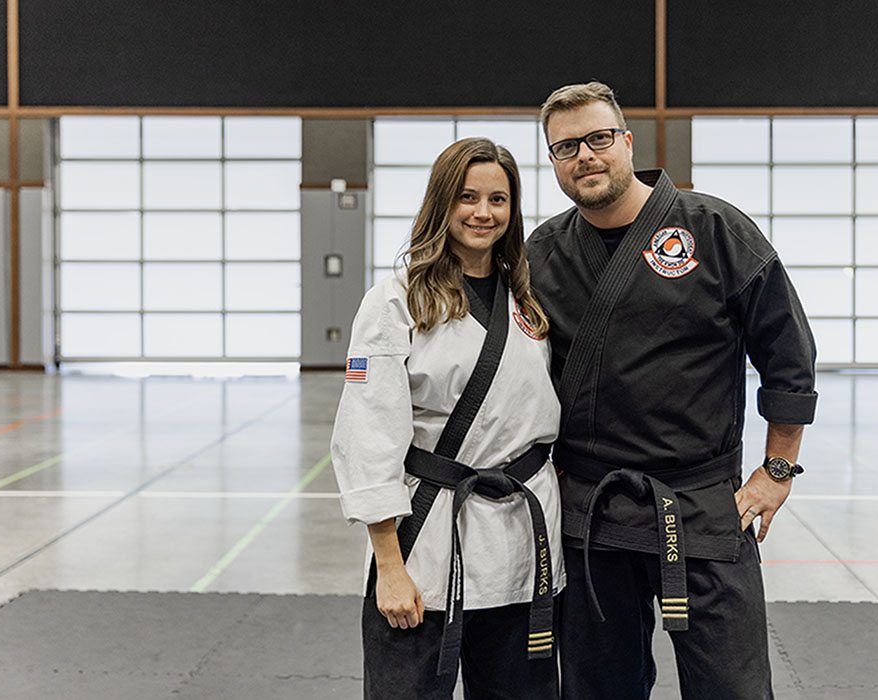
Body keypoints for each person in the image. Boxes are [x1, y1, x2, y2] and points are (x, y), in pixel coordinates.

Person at [526, 82, 817, 699]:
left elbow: (788, 356)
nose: (586, 156)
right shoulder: (542, 254)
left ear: (628, 142)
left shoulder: (713, 230)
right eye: (566, 147)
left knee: (733, 688)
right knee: (598, 688)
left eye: (599, 138)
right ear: (553, 161)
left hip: (702, 500)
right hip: (589, 509)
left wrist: (778, 469)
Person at [331, 137, 564, 699]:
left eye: (498, 200)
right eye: (467, 197)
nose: (484, 213)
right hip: (426, 544)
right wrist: (388, 562)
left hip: (520, 537)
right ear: (442, 203)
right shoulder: (396, 301)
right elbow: (368, 433)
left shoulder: (527, 301)